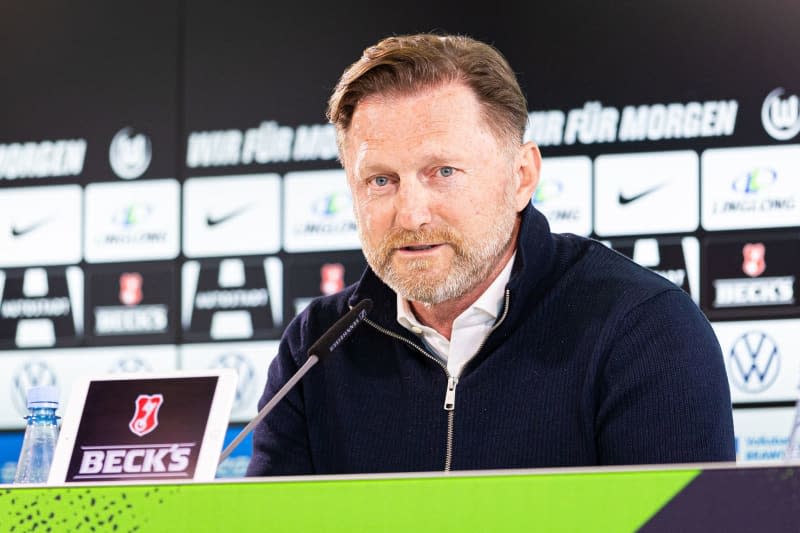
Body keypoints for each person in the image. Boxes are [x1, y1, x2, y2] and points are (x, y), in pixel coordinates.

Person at [246, 32, 735, 476]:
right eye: (380, 180)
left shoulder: (645, 329)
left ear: (521, 176)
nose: (411, 214)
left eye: (443, 172)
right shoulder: (317, 346)